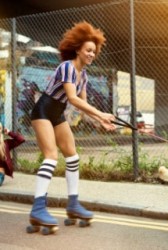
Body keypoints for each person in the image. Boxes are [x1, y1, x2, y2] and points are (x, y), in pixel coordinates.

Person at [28, 21, 116, 229]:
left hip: (57, 114)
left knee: (72, 155)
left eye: (94, 51)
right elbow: (73, 99)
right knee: (51, 156)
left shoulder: (83, 75)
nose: (91, 54)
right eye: (88, 50)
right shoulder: (67, 67)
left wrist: (101, 121)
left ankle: (73, 204)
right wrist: (102, 113)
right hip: (42, 112)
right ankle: (38, 208)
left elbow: (82, 106)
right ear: (77, 49)